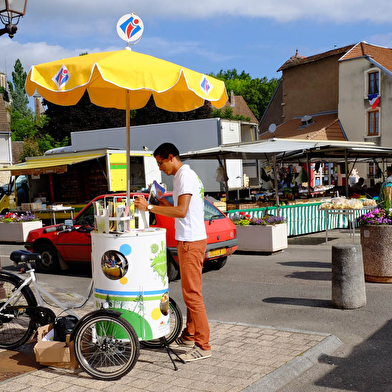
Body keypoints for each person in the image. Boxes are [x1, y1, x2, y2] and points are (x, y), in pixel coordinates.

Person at [134, 142, 211, 362]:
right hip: (191, 239)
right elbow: (181, 205)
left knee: (193, 295)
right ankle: (190, 334)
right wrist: (159, 199)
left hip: (191, 241)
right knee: (191, 292)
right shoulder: (182, 176)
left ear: (170, 157)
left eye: (160, 163)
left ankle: (203, 345)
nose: (160, 168)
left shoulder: (184, 177)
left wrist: (149, 207)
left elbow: (181, 210)